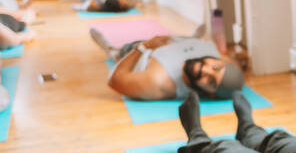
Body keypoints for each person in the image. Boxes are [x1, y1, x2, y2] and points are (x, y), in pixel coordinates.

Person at [89, 29, 246, 101]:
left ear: (211, 95)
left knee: (119, 52)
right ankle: (191, 38)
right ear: (222, 61)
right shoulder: (218, 58)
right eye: (216, 67)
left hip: (141, 50)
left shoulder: (158, 83)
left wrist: (145, 46)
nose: (205, 69)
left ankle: (110, 49)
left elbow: (115, 79)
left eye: (210, 81)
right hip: (175, 42)